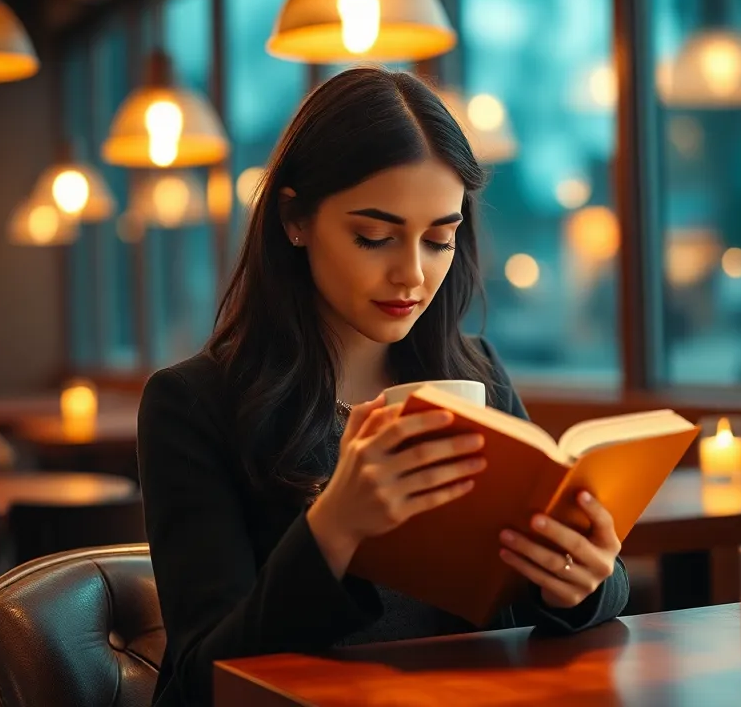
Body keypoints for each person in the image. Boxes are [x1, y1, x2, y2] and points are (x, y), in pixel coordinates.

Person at [137, 67, 629, 707]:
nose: (412, 274)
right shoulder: (194, 405)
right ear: (295, 220)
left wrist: (586, 580)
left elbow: (584, 595)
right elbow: (205, 680)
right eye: (374, 237)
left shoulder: (474, 375)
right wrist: (334, 529)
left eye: (439, 239)